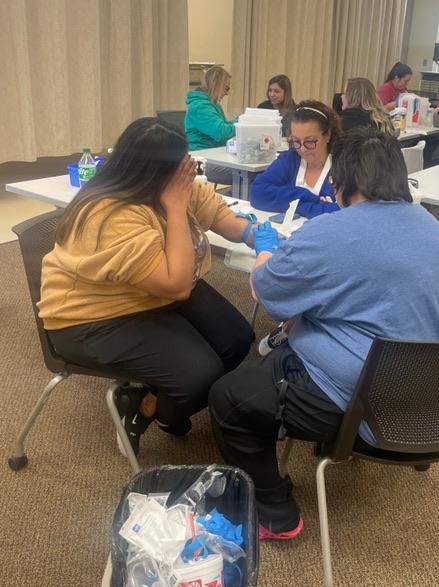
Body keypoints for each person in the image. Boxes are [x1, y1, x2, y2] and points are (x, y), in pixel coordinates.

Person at [208, 129, 439, 539]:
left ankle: (273, 514)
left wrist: (266, 250)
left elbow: (268, 293)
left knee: (228, 398)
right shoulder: (433, 227)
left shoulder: (330, 232)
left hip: (372, 403)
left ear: (342, 182)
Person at [38, 117, 257, 455]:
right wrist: (175, 207)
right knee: (198, 375)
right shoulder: (110, 213)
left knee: (237, 341)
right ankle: (143, 409)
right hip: (90, 317)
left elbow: (222, 218)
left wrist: (263, 239)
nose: (188, 172)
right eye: (180, 166)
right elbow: (177, 285)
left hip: (147, 293)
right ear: (150, 172)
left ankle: (164, 399)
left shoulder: (172, 183)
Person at [250, 100, 341, 218]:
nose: (302, 149)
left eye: (309, 141)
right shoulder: (290, 159)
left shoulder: (344, 166)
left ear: (327, 135)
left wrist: (296, 206)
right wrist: (303, 196)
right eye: (296, 141)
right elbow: (257, 193)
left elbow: (346, 210)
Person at [185, 66, 235, 185]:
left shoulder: (212, 104)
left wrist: (239, 122)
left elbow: (223, 126)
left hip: (214, 154)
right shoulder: (200, 107)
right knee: (247, 175)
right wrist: (241, 125)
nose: (227, 93)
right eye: (226, 88)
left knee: (252, 175)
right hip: (201, 159)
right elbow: (220, 132)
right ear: (216, 85)